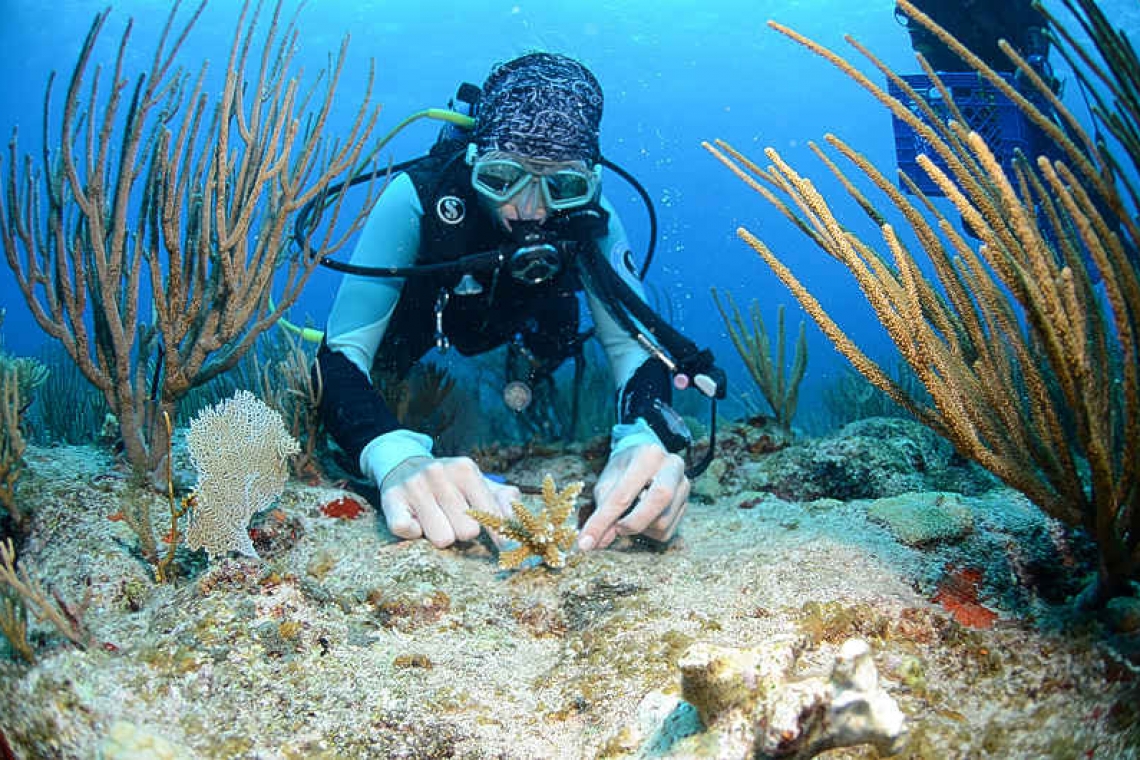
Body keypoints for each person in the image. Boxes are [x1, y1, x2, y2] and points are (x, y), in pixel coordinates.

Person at [314, 52, 694, 554]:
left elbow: (636, 352)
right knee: (386, 366)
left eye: (563, 186)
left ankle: (528, 363)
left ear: (588, 183)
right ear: (474, 159)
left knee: (554, 341)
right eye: (501, 178)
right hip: (428, 315)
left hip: (532, 311)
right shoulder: (418, 195)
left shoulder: (592, 220)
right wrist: (393, 455)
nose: (531, 210)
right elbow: (341, 353)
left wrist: (645, 436)